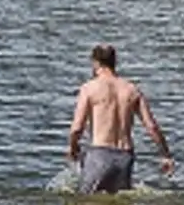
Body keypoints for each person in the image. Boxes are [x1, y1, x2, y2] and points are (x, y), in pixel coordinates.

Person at [67, 43, 174, 193]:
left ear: (95, 62)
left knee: (86, 203)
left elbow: (77, 128)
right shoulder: (131, 90)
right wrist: (165, 155)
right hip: (125, 156)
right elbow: (152, 127)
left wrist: (72, 148)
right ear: (115, 62)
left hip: (100, 154)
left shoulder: (89, 89)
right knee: (119, 204)